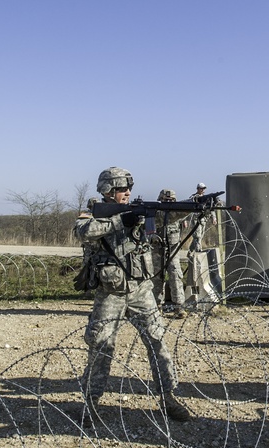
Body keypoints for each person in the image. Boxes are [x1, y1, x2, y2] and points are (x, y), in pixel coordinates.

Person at [74, 167, 192, 427]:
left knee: (157, 340)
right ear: (107, 190)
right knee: (101, 346)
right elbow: (82, 232)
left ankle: (168, 397)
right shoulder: (93, 213)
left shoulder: (137, 212)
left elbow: (167, 217)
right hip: (110, 292)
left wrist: (195, 205)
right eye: (120, 189)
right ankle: (90, 403)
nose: (127, 192)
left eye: (128, 188)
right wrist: (119, 221)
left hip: (141, 289)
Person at [153, 188, 187, 316]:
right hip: (157, 249)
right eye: (165, 200)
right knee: (157, 277)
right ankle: (157, 305)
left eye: (171, 200)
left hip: (173, 248)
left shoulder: (176, 213)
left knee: (175, 275)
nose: (168, 202)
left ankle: (179, 306)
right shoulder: (156, 213)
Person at [187, 182, 210, 252]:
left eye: (204, 189)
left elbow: (210, 208)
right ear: (198, 189)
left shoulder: (206, 198)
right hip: (196, 219)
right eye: (201, 189)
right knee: (197, 236)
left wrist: (214, 218)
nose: (203, 190)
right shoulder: (193, 197)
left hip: (203, 219)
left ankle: (190, 251)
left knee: (200, 236)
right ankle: (198, 250)